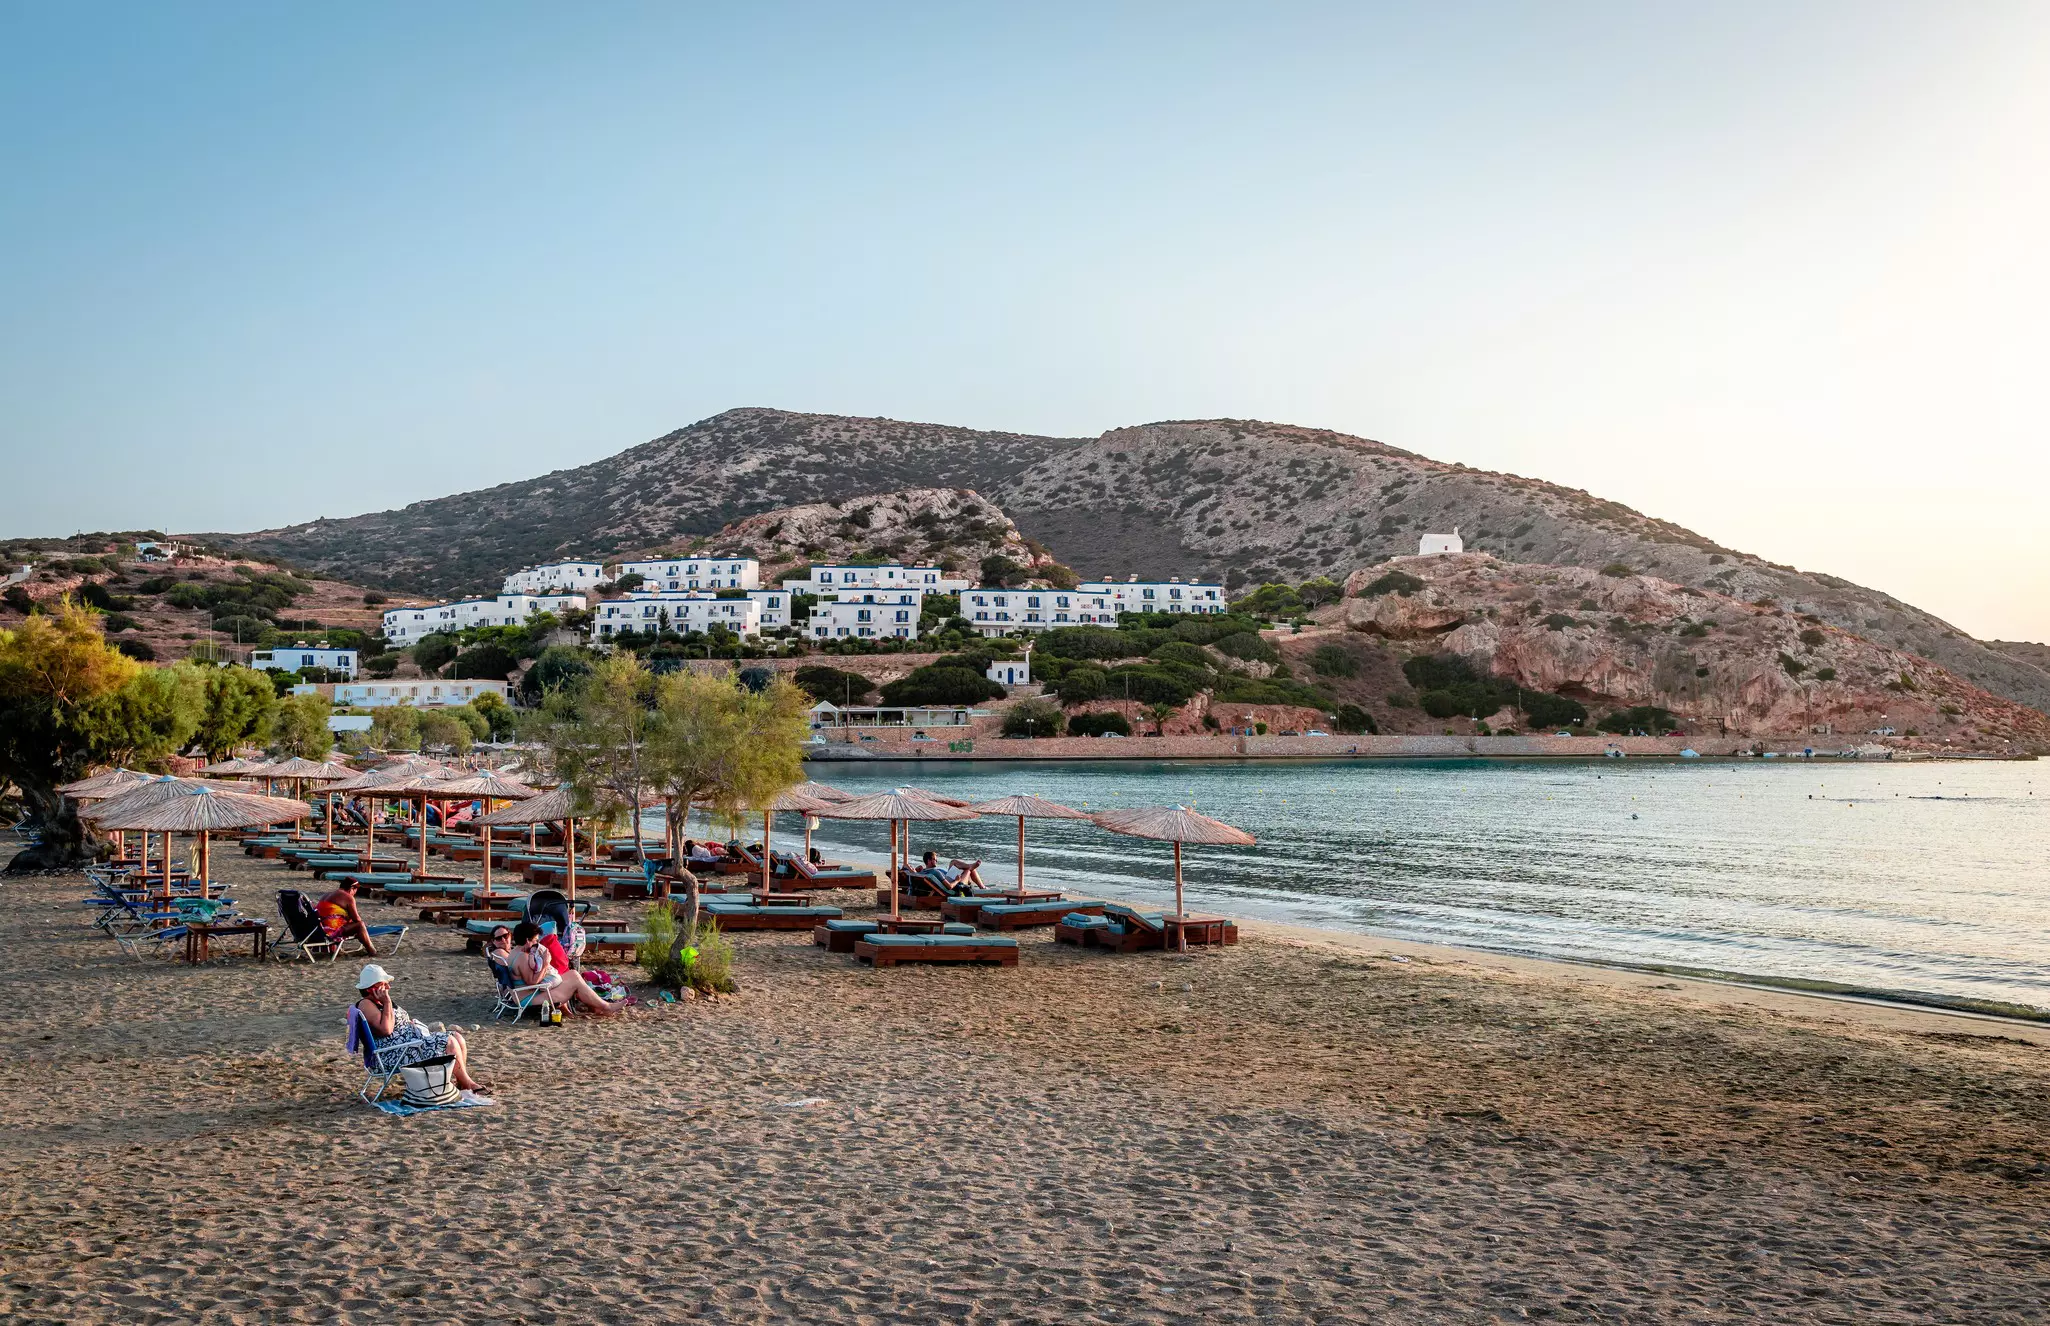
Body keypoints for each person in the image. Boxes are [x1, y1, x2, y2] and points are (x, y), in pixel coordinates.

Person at [354, 964, 487, 1094]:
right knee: (448, 1041)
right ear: (371, 989)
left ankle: (462, 1082)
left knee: (457, 1037)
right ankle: (468, 1084)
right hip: (391, 1055)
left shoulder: (378, 1002)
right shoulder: (366, 1004)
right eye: (384, 984)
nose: (388, 987)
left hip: (407, 1046)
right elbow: (386, 1030)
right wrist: (388, 1002)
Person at [510, 921, 617, 1016]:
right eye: (535, 941)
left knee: (573, 974)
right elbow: (533, 982)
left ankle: (599, 1006)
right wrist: (546, 963)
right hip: (529, 999)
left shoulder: (514, 952)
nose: (537, 944)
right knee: (575, 983)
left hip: (525, 994)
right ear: (527, 940)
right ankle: (606, 1007)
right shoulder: (522, 957)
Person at [315, 878, 383, 957]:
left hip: (319, 930)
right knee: (360, 925)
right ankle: (372, 952)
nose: (354, 893)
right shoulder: (348, 897)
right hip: (331, 932)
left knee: (353, 924)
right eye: (355, 890)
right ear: (352, 888)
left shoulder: (326, 895)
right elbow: (356, 919)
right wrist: (364, 928)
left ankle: (336, 949)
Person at [920, 850, 986, 892]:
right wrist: (957, 880)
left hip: (948, 877)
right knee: (969, 870)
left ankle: (970, 866)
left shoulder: (924, 871)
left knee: (953, 862)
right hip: (957, 885)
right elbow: (950, 886)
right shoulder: (935, 872)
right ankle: (982, 887)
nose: (936, 861)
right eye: (934, 859)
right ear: (929, 861)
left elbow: (913, 872)